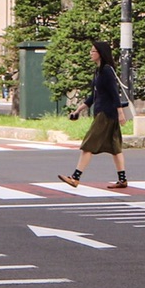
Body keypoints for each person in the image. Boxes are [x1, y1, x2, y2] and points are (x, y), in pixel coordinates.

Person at [59, 40, 129, 190]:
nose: (90, 54)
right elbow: (94, 96)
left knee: (88, 145)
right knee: (115, 147)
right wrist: (79, 110)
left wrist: (120, 113)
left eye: (93, 51)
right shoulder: (98, 71)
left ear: (101, 54)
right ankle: (122, 179)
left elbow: (114, 93)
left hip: (106, 114)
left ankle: (75, 178)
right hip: (104, 112)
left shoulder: (107, 71)